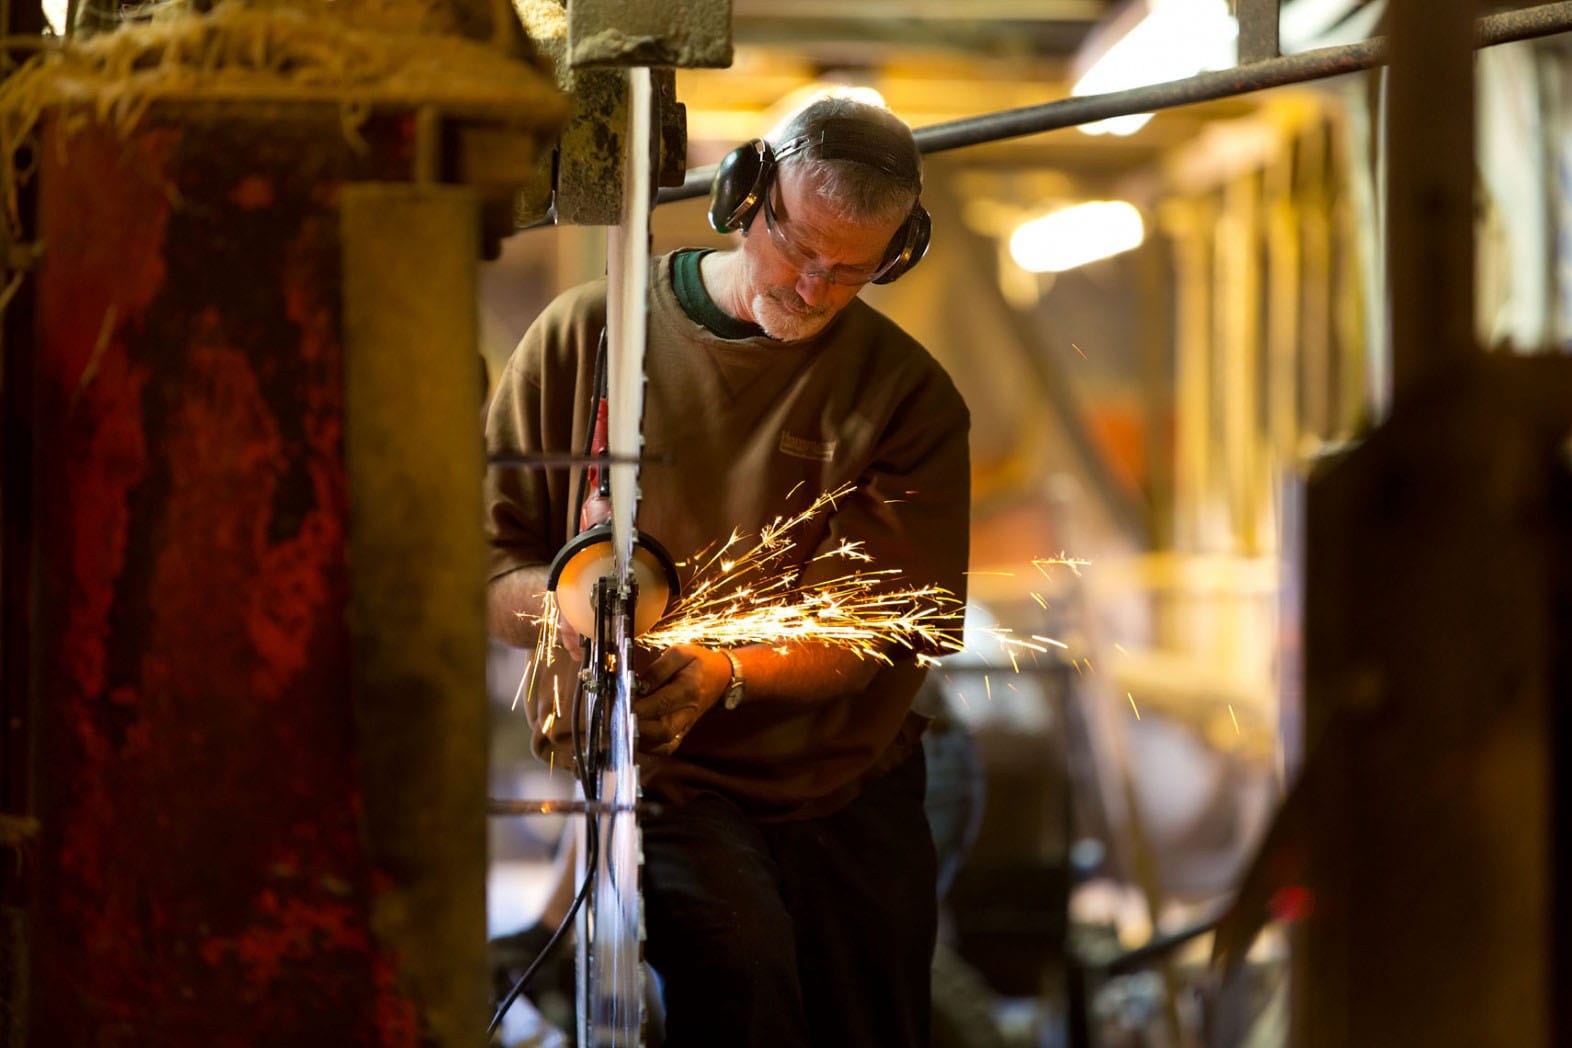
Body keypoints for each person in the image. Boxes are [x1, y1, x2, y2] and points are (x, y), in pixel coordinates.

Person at [484, 92, 971, 1047]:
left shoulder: (907, 397)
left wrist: (729, 672)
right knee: (740, 982)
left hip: (843, 784)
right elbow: (478, 566)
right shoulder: (584, 343)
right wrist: (569, 606)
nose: (814, 290)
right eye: (799, 250)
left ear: (895, 256)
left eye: (851, 272)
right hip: (666, 780)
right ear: (745, 197)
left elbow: (890, 623)